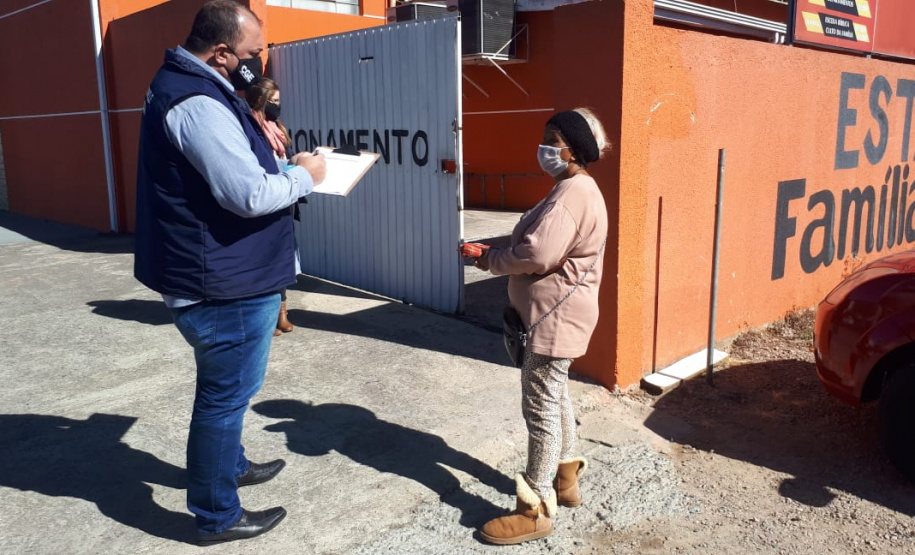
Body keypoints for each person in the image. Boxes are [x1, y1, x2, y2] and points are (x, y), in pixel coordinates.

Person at [133, 0, 326, 545]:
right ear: (220, 53)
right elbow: (245, 194)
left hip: (225, 274)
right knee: (222, 399)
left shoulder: (195, 86)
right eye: (250, 54)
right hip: (222, 284)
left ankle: (230, 465)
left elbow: (230, 172)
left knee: (229, 393)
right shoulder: (196, 102)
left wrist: (279, 164)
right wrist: (305, 176)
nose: (256, 64)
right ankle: (217, 514)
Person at [467, 108, 610, 545]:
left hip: (554, 321)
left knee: (540, 407)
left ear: (573, 149)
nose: (545, 147)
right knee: (555, 394)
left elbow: (538, 256)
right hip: (558, 318)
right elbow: (539, 245)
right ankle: (566, 479)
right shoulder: (573, 188)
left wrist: (487, 259)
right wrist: (496, 248)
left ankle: (535, 508)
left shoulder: (571, 194)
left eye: (553, 139)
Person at [245, 77, 296, 337]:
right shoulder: (251, 129)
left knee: (282, 259)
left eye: (278, 101)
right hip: (265, 201)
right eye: (273, 101)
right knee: (264, 262)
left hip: (283, 200)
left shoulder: (278, 128)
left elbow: (282, 158)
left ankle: (282, 314)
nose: (277, 106)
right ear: (260, 101)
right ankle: (266, 317)